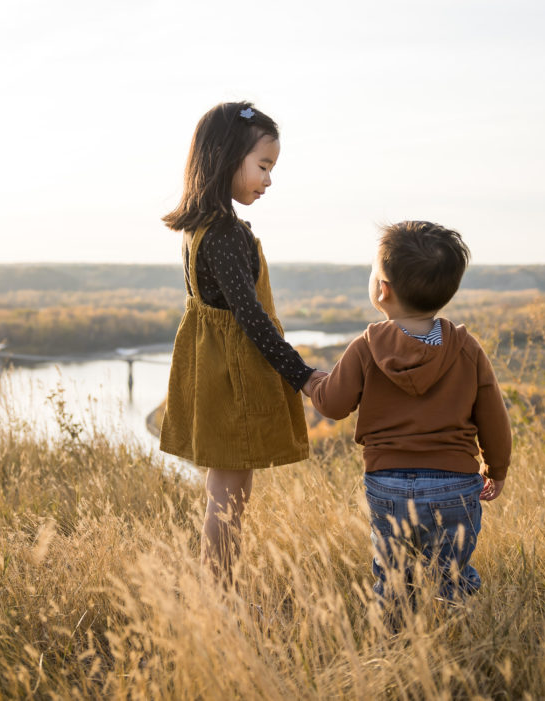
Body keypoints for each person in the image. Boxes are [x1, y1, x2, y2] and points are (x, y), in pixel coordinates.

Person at [306, 220, 511, 620]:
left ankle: (395, 649)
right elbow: (493, 417)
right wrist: (496, 468)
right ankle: (459, 640)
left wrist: (310, 378)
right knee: (452, 576)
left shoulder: (367, 347)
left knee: (394, 577)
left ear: (382, 289)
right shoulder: (466, 349)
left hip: (387, 484)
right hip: (455, 486)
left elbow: (332, 404)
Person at [161, 100, 327, 585]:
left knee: (225, 490)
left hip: (211, 374)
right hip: (233, 381)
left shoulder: (200, 227)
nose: (268, 180)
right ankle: (220, 597)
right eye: (263, 166)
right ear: (226, 157)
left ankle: (218, 594)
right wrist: (303, 376)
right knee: (230, 497)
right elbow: (251, 320)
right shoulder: (226, 235)